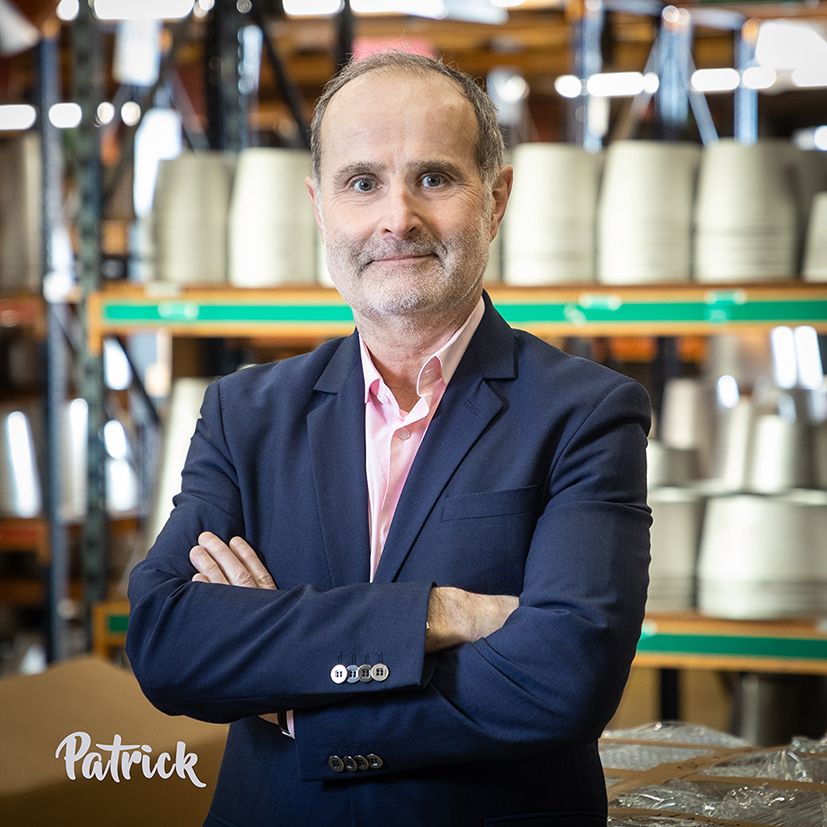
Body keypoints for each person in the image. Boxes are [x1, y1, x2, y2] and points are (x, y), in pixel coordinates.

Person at [126, 51, 651, 827]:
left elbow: (565, 675)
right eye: (362, 182)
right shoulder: (246, 413)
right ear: (319, 206)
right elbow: (168, 640)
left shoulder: (585, 413)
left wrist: (300, 696)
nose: (396, 218)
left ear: (495, 200)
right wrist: (436, 614)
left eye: (433, 178)